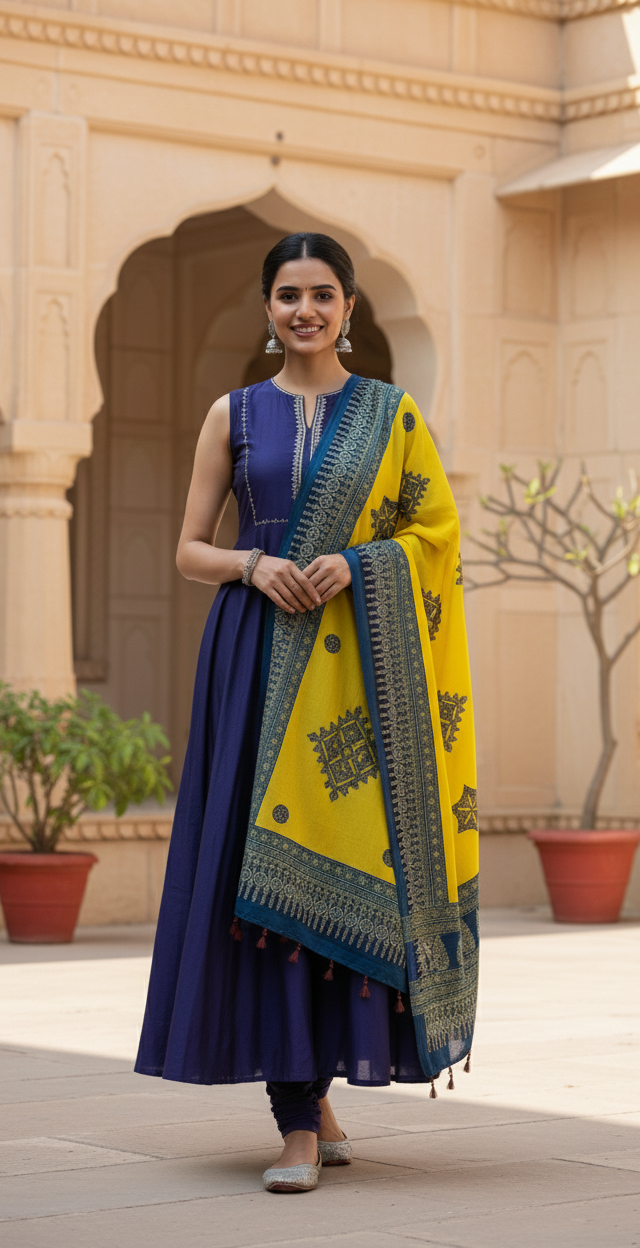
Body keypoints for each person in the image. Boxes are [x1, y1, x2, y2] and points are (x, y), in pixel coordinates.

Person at [135, 232, 479, 1193]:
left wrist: (363, 562)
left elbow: (436, 535)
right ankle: (296, 1118)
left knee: (342, 866)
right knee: (263, 879)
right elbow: (189, 551)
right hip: (257, 660)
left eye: (322, 295)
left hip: (364, 679)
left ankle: (314, 1100)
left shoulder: (392, 415)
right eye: (287, 295)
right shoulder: (233, 415)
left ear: (349, 307)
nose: (304, 311)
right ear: (266, 308)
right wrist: (255, 562)